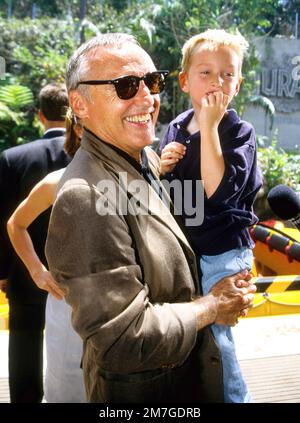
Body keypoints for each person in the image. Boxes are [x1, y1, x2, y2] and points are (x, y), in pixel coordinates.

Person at [45, 33, 256, 403]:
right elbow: (124, 340)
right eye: (126, 86)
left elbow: (200, 215)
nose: (148, 98)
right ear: (80, 103)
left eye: (152, 81)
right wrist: (213, 305)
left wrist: (232, 260)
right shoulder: (86, 197)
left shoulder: (145, 160)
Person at [160, 29, 263, 403]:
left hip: (222, 251)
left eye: (228, 74)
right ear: (185, 80)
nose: (217, 81)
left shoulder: (238, 131)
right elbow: (166, 195)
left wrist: (209, 126)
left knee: (217, 342)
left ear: (238, 85)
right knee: (191, 338)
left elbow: (217, 192)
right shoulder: (174, 127)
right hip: (186, 249)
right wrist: (159, 165)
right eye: (205, 72)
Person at [6, 108, 85, 403]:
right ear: (78, 129)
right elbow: (15, 223)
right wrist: (37, 271)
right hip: (68, 309)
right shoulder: (58, 180)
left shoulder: (135, 174)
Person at [0, 83, 70, 403]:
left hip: (24, 270)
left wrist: (3, 272)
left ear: (39, 115)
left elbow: (4, 220)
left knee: (24, 347)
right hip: (75, 274)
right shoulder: (87, 156)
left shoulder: (12, 158)